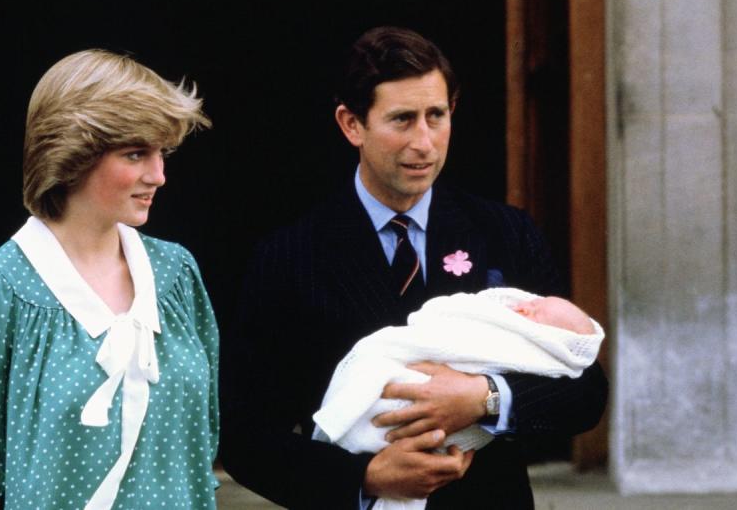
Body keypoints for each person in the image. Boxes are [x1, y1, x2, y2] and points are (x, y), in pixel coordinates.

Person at [220, 26, 607, 509]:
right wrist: (366, 477)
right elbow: (243, 435)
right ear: (351, 124)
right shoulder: (291, 256)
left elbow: (586, 391)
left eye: (436, 116)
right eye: (402, 119)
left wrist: (485, 398)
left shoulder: (504, 233)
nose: (424, 142)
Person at [0, 50, 217, 510]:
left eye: (162, 153)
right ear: (73, 153)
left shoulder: (175, 276)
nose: (159, 175)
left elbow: (197, 449)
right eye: (135, 153)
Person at [312, 287, 605, 510]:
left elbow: (585, 385)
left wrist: (488, 396)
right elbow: (266, 434)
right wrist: (365, 476)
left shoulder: (512, 230)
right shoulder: (289, 249)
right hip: (344, 482)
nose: (525, 306)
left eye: (536, 308)